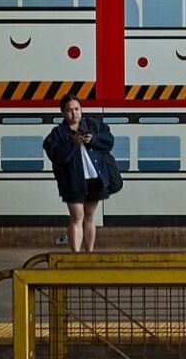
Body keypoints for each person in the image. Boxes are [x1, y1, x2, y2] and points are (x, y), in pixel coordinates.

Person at [43, 93, 115, 252]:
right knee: (77, 217)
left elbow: (109, 141)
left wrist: (93, 139)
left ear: (81, 109)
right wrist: (73, 144)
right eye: (69, 110)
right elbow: (57, 156)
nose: (74, 113)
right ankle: (76, 255)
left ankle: (89, 254)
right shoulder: (58, 134)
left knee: (89, 216)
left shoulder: (93, 125)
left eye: (77, 109)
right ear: (63, 113)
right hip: (72, 181)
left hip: (95, 179)